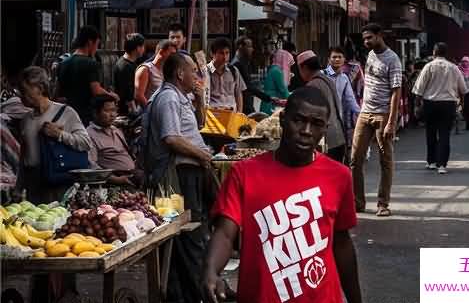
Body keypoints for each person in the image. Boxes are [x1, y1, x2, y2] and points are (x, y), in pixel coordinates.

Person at [202, 86, 362, 303]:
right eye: (299, 120)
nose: (306, 130)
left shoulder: (339, 176)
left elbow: (341, 243)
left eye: (316, 124)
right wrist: (212, 271)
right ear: (283, 119)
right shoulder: (244, 173)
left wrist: (356, 299)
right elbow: (225, 233)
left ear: (325, 129)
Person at [141, 53, 211, 302]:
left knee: (186, 237)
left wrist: (200, 99)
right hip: (177, 176)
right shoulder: (169, 97)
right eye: (193, 70)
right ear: (180, 74)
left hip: (187, 172)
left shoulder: (180, 97)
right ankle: (191, 295)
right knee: (187, 238)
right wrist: (203, 156)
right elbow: (171, 138)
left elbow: (198, 125)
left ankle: (183, 294)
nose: (197, 76)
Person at [18, 66, 91, 203]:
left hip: (57, 183)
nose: (21, 96)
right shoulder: (25, 119)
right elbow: (23, 157)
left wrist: (59, 134)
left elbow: (85, 143)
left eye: (24, 90)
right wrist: (18, 187)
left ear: (39, 88)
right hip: (33, 185)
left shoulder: (66, 112)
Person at [351, 24, 402, 216]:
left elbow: (397, 91)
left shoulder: (393, 59)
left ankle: (383, 204)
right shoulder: (370, 55)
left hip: (383, 114)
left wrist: (391, 121)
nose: (366, 42)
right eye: (364, 39)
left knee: (385, 160)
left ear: (380, 36)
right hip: (365, 113)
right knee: (355, 159)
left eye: (369, 38)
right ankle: (358, 202)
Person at [413, 43, 466, 175]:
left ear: (434, 52)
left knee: (430, 132)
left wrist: (417, 105)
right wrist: (461, 104)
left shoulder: (428, 67)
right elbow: (462, 89)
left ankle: (431, 162)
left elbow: (419, 89)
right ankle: (442, 165)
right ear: (445, 53)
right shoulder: (454, 68)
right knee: (444, 134)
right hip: (448, 104)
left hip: (430, 103)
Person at [57, 26, 118, 125]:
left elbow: (58, 94)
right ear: (90, 42)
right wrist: (111, 95)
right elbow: (96, 91)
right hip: (85, 116)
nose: (96, 49)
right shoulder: (91, 64)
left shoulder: (63, 63)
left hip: (67, 115)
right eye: (97, 44)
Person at [297, 50, 346, 163]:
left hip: (326, 142)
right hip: (339, 137)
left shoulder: (313, 85)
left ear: (304, 68)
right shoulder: (328, 80)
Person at [87, 95, 143, 187]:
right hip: (114, 183)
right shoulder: (90, 135)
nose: (112, 115)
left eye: (113, 110)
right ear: (95, 113)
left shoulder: (116, 130)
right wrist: (115, 180)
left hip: (131, 177)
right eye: (107, 111)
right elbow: (92, 166)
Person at [323, 47, 361, 146]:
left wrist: (361, 114)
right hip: (323, 116)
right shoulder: (322, 75)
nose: (337, 59)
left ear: (344, 60)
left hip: (337, 118)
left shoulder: (344, 78)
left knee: (336, 147)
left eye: (340, 57)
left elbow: (350, 99)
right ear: (328, 59)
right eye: (334, 57)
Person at [231, 36, 274, 114]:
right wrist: (267, 98)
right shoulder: (237, 64)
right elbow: (247, 86)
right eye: (249, 47)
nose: (252, 49)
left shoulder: (243, 62)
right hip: (244, 106)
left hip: (247, 104)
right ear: (241, 47)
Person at [207, 38, 247, 112]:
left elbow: (238, 93)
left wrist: (239, 113)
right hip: (213, 115)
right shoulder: (207, 70)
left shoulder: (233, 71)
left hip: (231, 113)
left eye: (227, 53)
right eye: (221, 53)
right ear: (212, 54)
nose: (225, 57)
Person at [134, 39, 177, 109]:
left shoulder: (167, 71)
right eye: (171, 54)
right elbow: (139, 96)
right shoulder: (145, 69)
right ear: (161, 52)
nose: (173, 57)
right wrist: (151, 111)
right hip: (148, 114)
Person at [114, 33, 145, 116]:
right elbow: (128, 92)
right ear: (138, 48)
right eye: (142, 46)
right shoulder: (125, 66)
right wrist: (134, 111)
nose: (143, 49)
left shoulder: (130, 64)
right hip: (126, 111)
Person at [260, 49, 293, 115]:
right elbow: (282, 89)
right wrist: (292, 100)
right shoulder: (277, 71)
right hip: (272, 102)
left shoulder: (273, 68)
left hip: (268, 100)